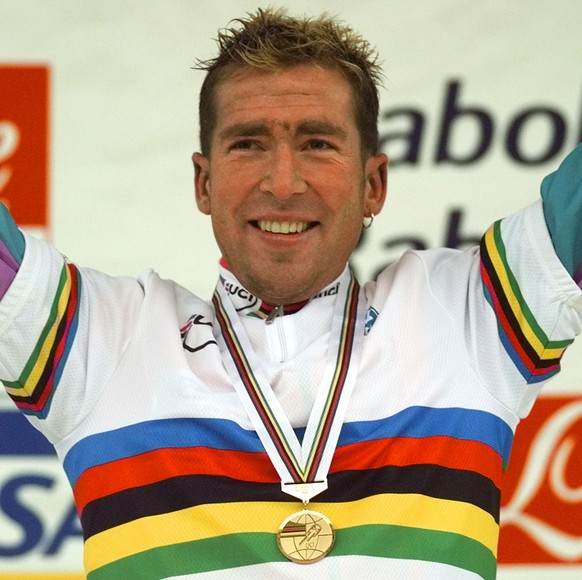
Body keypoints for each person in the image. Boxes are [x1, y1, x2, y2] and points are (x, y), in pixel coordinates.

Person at [1, 7, 581, 580]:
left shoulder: (469, 319)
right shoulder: (98, 343)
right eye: (248, 144)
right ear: (204, 183)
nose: (282, 183)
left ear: (373, 184)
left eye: (318, 144)